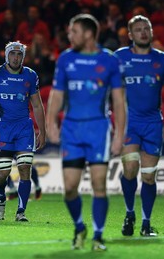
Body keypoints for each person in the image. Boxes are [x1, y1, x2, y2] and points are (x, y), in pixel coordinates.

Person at [46, 14, 126, 251]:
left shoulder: (109, 61)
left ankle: (98, 236)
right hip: (71, 129)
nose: (69, 36)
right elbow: (57, 94)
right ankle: (80, 226)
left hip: (98, 130)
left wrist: (120, 134)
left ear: (89, 34)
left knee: (99, 184)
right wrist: (51, 122)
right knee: (70, 187)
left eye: (74, 32)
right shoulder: (65, 59)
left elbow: (119, 101)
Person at [115, 15, 164, 237]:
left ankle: (146, 224)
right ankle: (130, 213)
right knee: (130, 170)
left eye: (146, 28)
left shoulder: (163, 60)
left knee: (148, 175)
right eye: (138, 29)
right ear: (130, 35)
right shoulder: (119, 57)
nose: (143, 32)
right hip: (128, 122)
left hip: (152, 124)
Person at [0, 41, 46, 222]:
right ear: (6, 55)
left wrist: (43, 131)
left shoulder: (31, 76)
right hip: (2, 129)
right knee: (2, 174)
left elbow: (37, 105)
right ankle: (1, 196)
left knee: (25, 169)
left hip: (24, 128)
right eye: (13, 54)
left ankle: (21, 211)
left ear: (23, 57)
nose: (16, 58)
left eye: (19, 55)